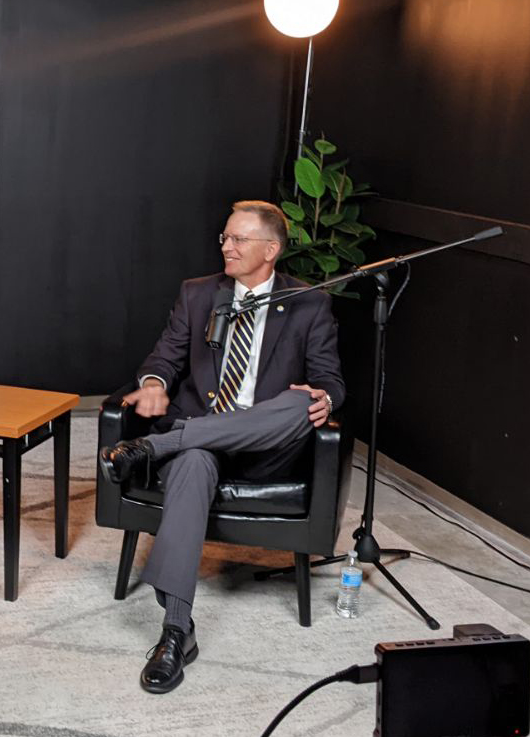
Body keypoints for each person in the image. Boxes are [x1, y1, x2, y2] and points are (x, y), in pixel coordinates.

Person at [98, 200, 344, 695]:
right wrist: (151, 383)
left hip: (265, 441)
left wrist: (325, 397)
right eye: (224, 238)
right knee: (191, 462)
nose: (226, 247)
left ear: (271, 250)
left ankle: (158, 445)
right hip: (204, 439)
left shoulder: (308, 302)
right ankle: (175, 632)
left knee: (298, 406)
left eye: (238, 240)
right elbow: (163, 357)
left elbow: (329, 379)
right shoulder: (198, 294)